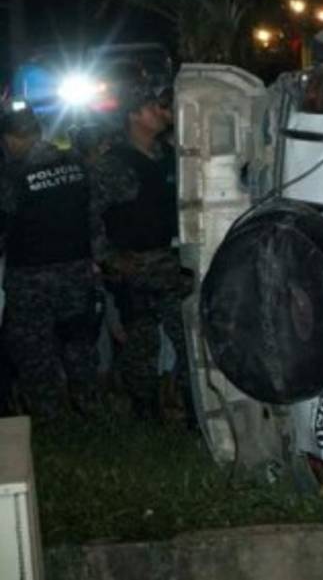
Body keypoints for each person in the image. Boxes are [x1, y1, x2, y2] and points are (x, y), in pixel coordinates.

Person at [94, 84, 190, 422]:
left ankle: (191, 407)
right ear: (133, 115)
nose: (161, 112)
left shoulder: (170, 156)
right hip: (135, 267)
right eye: (151, 106)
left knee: (188, 337)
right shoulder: (113, 164)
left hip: (173, 262)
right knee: (140, 345)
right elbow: (90, 217)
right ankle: (146, 413)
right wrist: (108, 258)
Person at [0, 106, 103, 418]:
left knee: (33, 347)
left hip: (31, 277)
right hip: (77, 270)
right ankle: (89, 408)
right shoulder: (75, 164)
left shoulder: (13, 175)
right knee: (79, 341)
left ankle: (50, 416)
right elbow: (93, 215)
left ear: (11, 139)